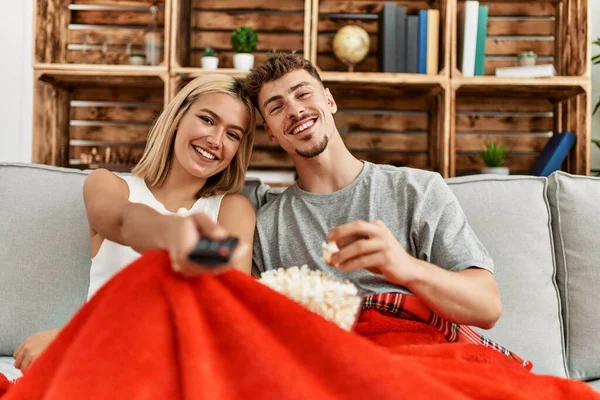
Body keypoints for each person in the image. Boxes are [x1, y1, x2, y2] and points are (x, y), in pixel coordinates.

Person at [12, 74, 257, 373]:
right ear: (179, 117)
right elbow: (124, 221)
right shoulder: (109, 185)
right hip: (101, 362)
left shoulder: (233, 210)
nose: (216, 140)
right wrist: (171, 232)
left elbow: (223, 319)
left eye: (233, 134)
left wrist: (73, 337)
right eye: (207, 120)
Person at [245, 52, 502, 330]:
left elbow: (486, 307)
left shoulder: (416, 190)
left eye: (303, 94)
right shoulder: (265, 228)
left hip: (416, 356)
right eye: (276, 107)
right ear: (270, 132)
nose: (294, 110)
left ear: (329, 101)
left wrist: (407, 268)